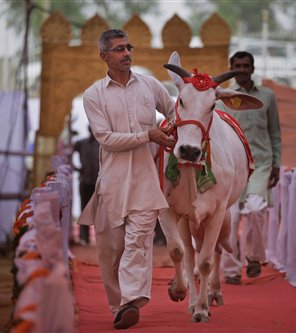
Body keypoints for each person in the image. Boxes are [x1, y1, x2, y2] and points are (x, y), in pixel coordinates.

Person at [77, 29, 175, 330]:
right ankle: (117, 305)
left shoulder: (150, 85)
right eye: (119, 49)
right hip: (112, 182)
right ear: (104, 56)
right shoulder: (94, 94)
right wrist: (149, 135)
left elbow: (173, 113)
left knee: (138, 242)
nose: (126, 53)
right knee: (111, 251)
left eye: (128, 47)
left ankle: (131, 301)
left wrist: (168, 136)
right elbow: (105, 139)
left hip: (147, 179)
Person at [217, 51, 281, 285]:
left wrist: (276, 163)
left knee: (255, 210)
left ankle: (254, 258)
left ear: (253, 69)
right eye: (238, 66)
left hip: (261, 163)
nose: (242, 69)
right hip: (232, 166)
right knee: (230, 219)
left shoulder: (268, 97)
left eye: (246, 66)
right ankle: (231, 271)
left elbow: (274, 132)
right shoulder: (221, 98)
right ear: (231, 68)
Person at [73, 126, 100, 245]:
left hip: (100, 182)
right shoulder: (81, 143)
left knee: (101, 211)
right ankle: (84, 238)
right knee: (84, 209)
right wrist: (76, 168)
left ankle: (101, 238)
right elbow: (66, 152)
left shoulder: (103, 143)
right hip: (85, 181)